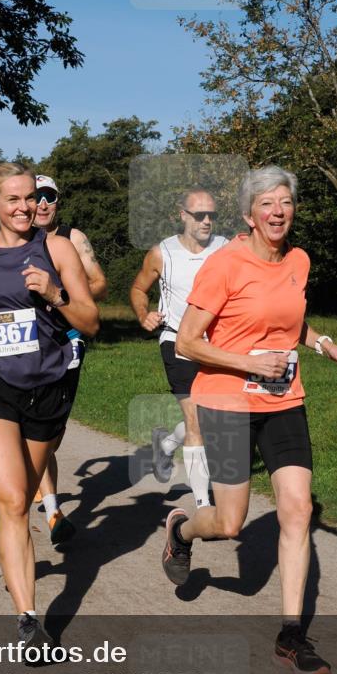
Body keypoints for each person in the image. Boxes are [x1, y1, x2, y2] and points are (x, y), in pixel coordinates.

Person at [161, 165, 337, 674]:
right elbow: (187, 342)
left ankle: (292, 634)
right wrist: (249, 362)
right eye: (267, 204)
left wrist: (325, 345)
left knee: (297, 508)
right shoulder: (225, 265)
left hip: (284, 398)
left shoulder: (298, 260)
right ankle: (182, 530)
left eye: (285, 203)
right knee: (229, 524)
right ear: (249, 215)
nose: (278, 212)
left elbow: (287, 321)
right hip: (227, 401)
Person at [0, 163, 99, 654]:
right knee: (15, 501)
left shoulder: (56, 249)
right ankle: (29, 621)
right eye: (12, 199)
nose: (25, 207)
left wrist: (54, 294)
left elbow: (90, 321)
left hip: (46, 384)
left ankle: (4, 527)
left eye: (30, 198)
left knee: (23, 492)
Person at [130, 187, 228, 509]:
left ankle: (167, 443)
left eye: (211, 215)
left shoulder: (227, 249)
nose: (206, 221)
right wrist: (144, 314)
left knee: (207, 418)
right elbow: (138, 288)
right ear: (182, 215)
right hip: (177, 341)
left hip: (218, 345)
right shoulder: (162, 253)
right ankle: (203, 504)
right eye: (199, 214)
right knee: (197, 421)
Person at [31, 173, 108, 544]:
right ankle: (53, 512)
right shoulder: (16, 240)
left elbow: (99, 283)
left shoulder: (73, 239)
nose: (42, 203)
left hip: (69, 339)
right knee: (34, 426)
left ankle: (36, 478)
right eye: (35, 197)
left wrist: (61, 294)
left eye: (49, 196)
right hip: (30, 343)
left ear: (58, 201)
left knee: (53, 436)